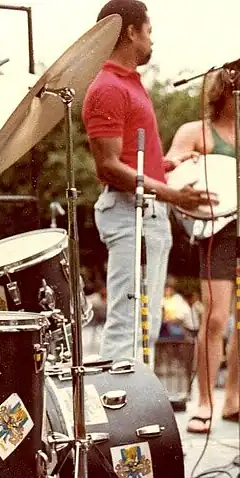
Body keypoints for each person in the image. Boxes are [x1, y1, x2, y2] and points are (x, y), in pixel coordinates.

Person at [82, 0, 216, 364]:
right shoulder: (108, 87)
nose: (152, 40)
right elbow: (108, 166)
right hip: (130, 213)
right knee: (130, 323)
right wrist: (173, 193)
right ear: (131, 32)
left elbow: (127, 157)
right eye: (149, 31)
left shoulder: (127, 85)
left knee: (146, 323)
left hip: (143, 211)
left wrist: (168, 165)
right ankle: (119, 413)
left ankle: (135, 408)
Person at [165, 68, 237, 433]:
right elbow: (170, 167)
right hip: (217, 230)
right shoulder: (196, 131)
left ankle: (234, 399)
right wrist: (181, 164)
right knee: (214, 318)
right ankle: (204, 401)